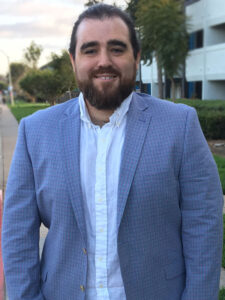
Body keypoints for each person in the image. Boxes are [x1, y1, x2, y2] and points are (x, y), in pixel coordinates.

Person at [2, 4, 223, 300]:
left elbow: (204, 225)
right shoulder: (36, 132)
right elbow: (18, 236)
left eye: (117, 49)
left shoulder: (179, 125)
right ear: (73, 60)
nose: (103, 61)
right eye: (90, 50)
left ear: (137, 57)